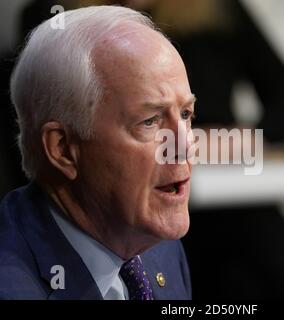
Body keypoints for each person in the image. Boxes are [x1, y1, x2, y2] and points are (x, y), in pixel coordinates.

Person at [0, 5, 194, 300]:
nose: (183, 146)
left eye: (186, 114)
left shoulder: (157, 245)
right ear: (63, 149)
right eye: (150, 121)